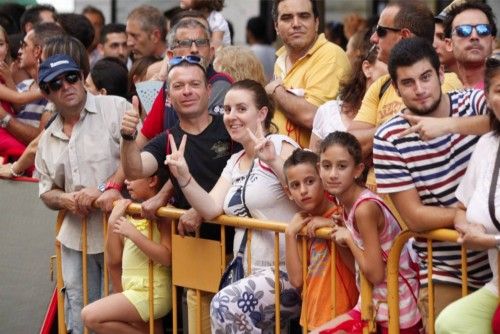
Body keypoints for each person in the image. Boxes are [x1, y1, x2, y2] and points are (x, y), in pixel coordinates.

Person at [162, 79, 301, 332]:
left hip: (287, 273)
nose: (231, 117)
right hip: (244, 273)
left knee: (225, 305)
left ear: (261, 113)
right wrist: (184, 176)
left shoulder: (281, 145)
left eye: (240, 109)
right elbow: (211, 208)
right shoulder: (235, 161)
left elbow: (307, 196)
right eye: (226, 110)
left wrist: (274, 162)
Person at [373, 37, 492, 327]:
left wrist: (448, 125)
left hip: (495, 254)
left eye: (426, 77)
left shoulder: (473, 102)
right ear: (397, 90)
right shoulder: (388, 137)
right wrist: (465, 217)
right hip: (446, 266)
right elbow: (414, 216)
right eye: (409, 82)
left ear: (441, 74)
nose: (420, 89)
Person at [120, 58, 238, 334]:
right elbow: (135, 168)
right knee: (199, 323)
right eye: (179, 86)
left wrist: (202, 208)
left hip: (240, 244)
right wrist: (127, 138)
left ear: (209, 91)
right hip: (197, 247)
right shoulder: (165, 139)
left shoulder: (230, 127)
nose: (187, 91)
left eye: (195, 84)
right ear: (169, 99)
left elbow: (247, 170)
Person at [35, 54, 131, 334]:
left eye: (72, 77)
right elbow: (46, 191)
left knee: (117, 309)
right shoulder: (48, 135)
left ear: (81, 76)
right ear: (46, 93)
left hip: (123, 233)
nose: (66, 85)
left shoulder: (115, 107)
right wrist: (66, 199)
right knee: (76, 308)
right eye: (56, 83)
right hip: (75, 237)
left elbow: (142, 156)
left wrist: (106, 187)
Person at [348, 1, 463, 227]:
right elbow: (351, 147)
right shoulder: (380, 85)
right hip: (380, 232)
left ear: (404, 35)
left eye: (380, 32)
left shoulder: (447, 83)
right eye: (407, 83)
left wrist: (380, 138)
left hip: (425, 236)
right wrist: (395, 131)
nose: (373, 39)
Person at [311, 131, 422, 334]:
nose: (333, 174)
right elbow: (358, 269)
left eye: (342, 166)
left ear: (358, 170)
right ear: (319, 169)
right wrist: (344, 237)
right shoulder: (347, 205)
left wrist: (349, 240)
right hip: (372, 305)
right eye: (327, 166)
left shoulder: (364, 208)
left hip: (398, 310)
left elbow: (376, 274)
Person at [434, 56, 500, 334]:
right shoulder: (487, 144)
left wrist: (490, 240)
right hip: (498, 286)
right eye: (499, 90)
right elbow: (461, 207)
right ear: (488, 96)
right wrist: (466, 228)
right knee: (450, 323)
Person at [81, 171, 172, 333]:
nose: (127, 182)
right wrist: (112, 222)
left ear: (152, 180)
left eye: (133, 177)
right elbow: (114, 260)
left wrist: (133, 234)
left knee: (90, 316)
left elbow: (167, 257)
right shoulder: (130, 211)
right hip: (133, 289)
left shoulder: (165, 212)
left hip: (153, 290)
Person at [284, 148, 358, 330]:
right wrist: (289, 234)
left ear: (322, 179)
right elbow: (296, 281)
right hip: (312, 317)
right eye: (295, 185)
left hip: (344, 317)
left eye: (310, 181)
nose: (303, 190)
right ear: (288, 192)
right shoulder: (301, 224)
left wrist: (332, 226)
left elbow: (357, 267)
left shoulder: (342, 216)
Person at [266, 0, 351, 148]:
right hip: (278, 163)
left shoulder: (330, 55)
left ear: (316, 23)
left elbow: (313, 116)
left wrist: (275, 90)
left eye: (304, 16)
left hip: (314, 166)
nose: (296, 24)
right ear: (276, 27)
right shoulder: (280, 59)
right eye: (287, 18)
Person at [309, 31, 387, 152]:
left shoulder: (393, 112)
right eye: (387, 61)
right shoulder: (329, 112)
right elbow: (313, 165)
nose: (395, 68)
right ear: (367, 68)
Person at [444, 0, 497, 89]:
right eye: (463, 30)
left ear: (493, 43)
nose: (474, 36)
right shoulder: (442, 93)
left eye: (483, 29)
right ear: (449, 44)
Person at [246, 16, 276, 82]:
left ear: (249, 33)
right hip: (272, 89)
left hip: (256, 89)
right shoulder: (274, 51)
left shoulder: (248, 53)